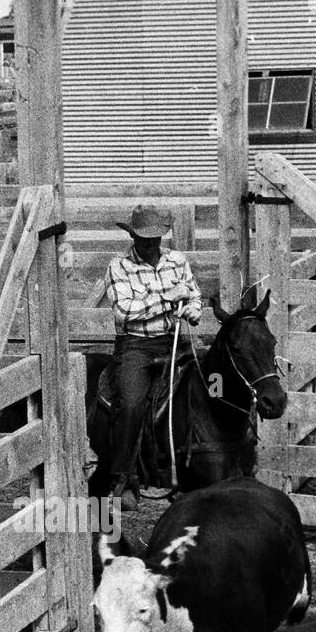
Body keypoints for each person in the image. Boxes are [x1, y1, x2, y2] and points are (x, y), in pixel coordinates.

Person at [104, 205, 203, 509]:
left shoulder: (177, 260)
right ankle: (122, 479)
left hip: (174, 340)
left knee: (211, 388)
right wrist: (166, 298)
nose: (150, 243)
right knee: (131, 403)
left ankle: (201, 466)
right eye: (143, 238)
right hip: (136, 346)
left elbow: (193, 294)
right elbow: (125, 312)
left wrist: (192, 310)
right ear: (132, 235)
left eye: (155, 238)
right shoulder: (119, 266)